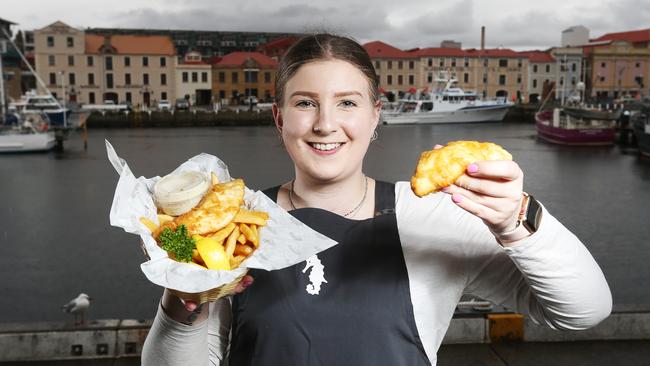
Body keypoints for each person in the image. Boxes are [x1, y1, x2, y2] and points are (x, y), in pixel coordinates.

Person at [142, 33, 611, 365]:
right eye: (306, 103)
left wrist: (516, 221)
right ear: (279, 117)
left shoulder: (430, 215)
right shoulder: (233, 230)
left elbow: (583, 311)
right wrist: (181, 299)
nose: (326, 123)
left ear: (375, 116)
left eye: (347, 102)